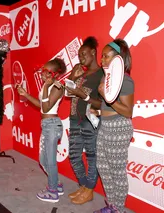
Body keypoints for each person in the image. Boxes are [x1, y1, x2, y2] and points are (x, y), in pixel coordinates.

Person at [93, 39, 134, 213]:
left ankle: (119, 208)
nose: (102, 60)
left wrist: (106, 96)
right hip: (105, 125)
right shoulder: (106, 77)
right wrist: (97, 111)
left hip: (119, 127)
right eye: (102, 56)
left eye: (106, 56)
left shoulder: (126, 80)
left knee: (117, 172)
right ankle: (112, 204)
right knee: (102, 166)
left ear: (118, 58)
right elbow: (107, 106)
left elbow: (127, 111)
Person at [17, 58, 66, 203]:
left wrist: (45, 86)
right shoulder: (48, 86)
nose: (42, 75)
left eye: (46, 72)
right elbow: (41, 105)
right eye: (42, 71)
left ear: (55, 74)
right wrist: (26, 95)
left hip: (52, 125)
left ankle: (52, 192)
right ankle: (56, 184)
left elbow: (46, 107)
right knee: (43, 160)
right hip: (47, 124)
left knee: (50, 160)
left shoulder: (58, 87)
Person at [65, 36, 104, 204]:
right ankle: (84, 186)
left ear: (93, 52)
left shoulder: (102, 73)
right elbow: (68, 93)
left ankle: (88, 190)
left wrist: (85, 96)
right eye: (79, 55)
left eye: (84, 54)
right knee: (73, 155)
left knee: (91, 156)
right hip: (74, 118)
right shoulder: (80, 71)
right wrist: (73, 76)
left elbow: (104, 103)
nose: (81, 58)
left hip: (90, 120)